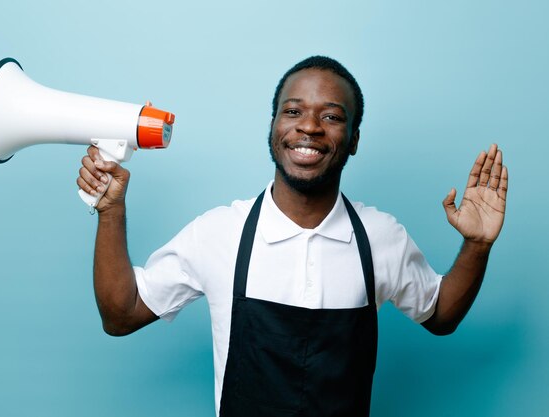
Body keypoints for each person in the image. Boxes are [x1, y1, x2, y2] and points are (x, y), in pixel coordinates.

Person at [76, 56, 508, 417]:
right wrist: (111, 211)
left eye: (332, 116)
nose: (310, 127)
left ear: (353, 138)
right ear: (273, 127)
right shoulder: (219, 233)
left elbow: (441, 315)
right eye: (293, 111)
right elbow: (122, 315)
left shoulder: (380, 237)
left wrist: (477, 244)